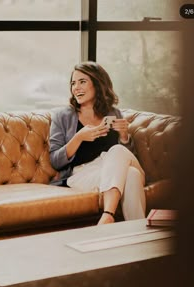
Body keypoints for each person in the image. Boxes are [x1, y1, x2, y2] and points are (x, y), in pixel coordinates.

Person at [49, 61, 146, 224]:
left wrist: (123, 136)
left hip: (110, 168)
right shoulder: (62, 116)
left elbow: (127, 157)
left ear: (97, 83)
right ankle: (136, 231)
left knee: (119, 154)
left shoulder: (113, 112)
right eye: (73, 83)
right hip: (82, 174)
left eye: (82, 82)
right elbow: (55, 161)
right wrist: (78, 137)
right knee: (132, 175)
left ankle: (108, 216)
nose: (76, 88)